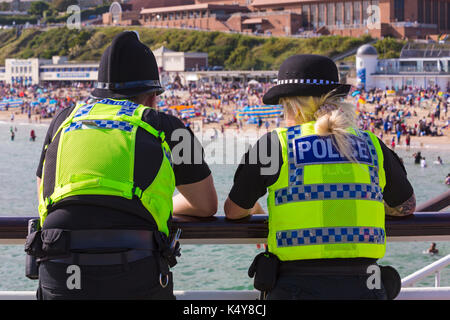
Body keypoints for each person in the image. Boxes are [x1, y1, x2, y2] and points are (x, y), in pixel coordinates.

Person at [31, 31, 217, 300]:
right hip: (135, 270)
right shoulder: (167, 126)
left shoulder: (62, 120)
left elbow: (43, 197)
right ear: (153, 97)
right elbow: (206, 205)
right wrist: (148, 204)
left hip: (59, 269)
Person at [224, 55, 416, 300]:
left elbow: (233, 210)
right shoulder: (372, 146)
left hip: (295, 286)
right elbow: (406, 205)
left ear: (292, 105)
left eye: (283, 105)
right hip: (364, 285)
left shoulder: (277, 145)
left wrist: (258, 209)